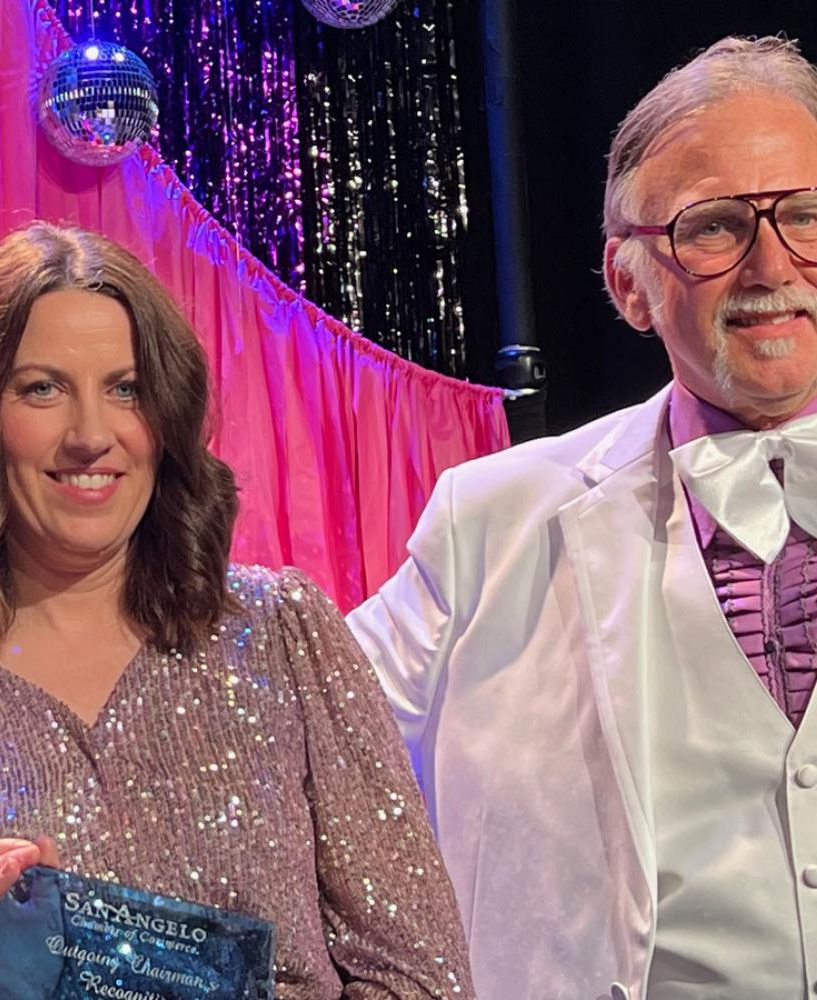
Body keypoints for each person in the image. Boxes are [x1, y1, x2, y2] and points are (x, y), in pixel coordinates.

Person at [0, 222, 474, 1000]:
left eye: (126, 389)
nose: (90, 436)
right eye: (42, 388)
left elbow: (424, 981)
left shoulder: (283, 636)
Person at [347, 36, 817, 1000]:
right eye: (716, 227)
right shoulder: (489, 524)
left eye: (809, 216)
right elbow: (286, 748)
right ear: (627, 285)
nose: (774, 264)